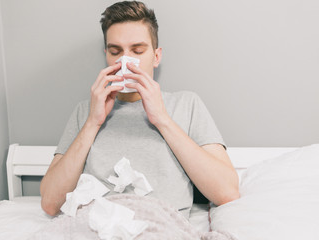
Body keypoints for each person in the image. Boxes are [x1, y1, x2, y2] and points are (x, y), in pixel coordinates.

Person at [40, 1, 240, 218]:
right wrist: (93, 123)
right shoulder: (85, 111)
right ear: (106, 55)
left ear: (156, 56)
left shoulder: (187, 104)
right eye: (116, 51)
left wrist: (162, 119)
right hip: (95, 226)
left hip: (160, 226)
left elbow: (227, 192)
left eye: (137, 50)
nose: (125, 61)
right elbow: (50, 203)